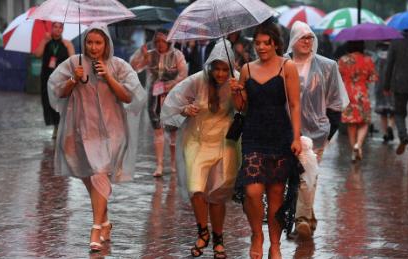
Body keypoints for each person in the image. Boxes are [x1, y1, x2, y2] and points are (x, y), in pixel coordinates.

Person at [47, 23, 146, 252]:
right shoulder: (74, 63)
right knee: (88, 175)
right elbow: (56, 90)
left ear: (106, 44)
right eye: (90, 42)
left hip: (112, 132)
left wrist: (109, 77)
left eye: (98, 43)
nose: (93, 47)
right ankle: (105, 218)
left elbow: (130, 96)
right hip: (82, 130)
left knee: (100, 173)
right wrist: (73, 79)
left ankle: (95, 228)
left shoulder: (119, 65)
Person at [230, 19, 303, 259]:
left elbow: (294, 104)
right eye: (257, 43)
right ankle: (256, 233)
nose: (260, 47)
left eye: (266, 43)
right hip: (253, 135)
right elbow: (240, 107)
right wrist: (236, 92)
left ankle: (274, 243)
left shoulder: (287, 66)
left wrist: (296, 137)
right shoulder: (247, 69)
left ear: (275, 44)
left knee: (275, 194)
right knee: (252, 191)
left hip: (280, 136)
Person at [161, 40, 240, 259]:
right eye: (217, 68)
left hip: (225, 142)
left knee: (218, 193)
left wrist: (239, 93)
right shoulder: (196, 81)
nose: (221, 74)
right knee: (196, 188)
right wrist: (185, 109)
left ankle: (218, 238)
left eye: (225, 69)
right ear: (210, 66)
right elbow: (172, 104)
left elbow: (247, 110)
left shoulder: (238, 80)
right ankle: (202, 231)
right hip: (196, 140)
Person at [285, 21, 349, 239]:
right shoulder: (282, 65)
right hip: (288, 132)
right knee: (297, 177)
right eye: (302, 37)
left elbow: (335, 103)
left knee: (306, 175)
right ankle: (308, 216)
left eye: (310, 37)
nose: (307, 41)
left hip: (317, 134)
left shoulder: (327, 66)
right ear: (293, 40)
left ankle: (301, 220)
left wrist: (328, 132)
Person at [130, 28, 188, 177]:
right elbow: (134, 66)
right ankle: (160, 165)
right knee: (158, 130)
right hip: (154, 98)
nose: (160, 44)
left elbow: (183, 75)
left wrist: (169, 85)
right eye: (157, 41)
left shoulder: (177, 55)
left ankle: (174, 163)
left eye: (163, 41)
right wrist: (141, 55)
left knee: (173, 131)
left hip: (173, 97)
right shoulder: (150, 55)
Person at [383, 29, 408, 159]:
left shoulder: (395, 43)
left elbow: (389, 65)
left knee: (399, 114)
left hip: (399, 84)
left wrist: (386, 85)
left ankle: (403, 136)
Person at [34, 22, 75, 139]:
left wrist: (69, 46)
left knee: (61, 101)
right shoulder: (46, 41)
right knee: (48, 102)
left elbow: (73, 59)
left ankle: (61, 125)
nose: (58, 29)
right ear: (51, 28)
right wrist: (43, 41)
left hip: (62, 78)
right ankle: (56, 126)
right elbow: (37, 54)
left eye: (60, 27)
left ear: (63, 29)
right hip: (46, 77)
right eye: (55, 27)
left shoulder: (67, 43)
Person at [339, 41, 378, 161]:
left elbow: (337, 76)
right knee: (364, 121)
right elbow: (373, 78)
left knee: (351, 124)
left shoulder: (343, 60)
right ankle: (358, 144)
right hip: (361, 93)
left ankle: (353, 151)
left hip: (347, 94)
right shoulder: (367, 60)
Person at [373, 41, 395, 143]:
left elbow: (373, 70)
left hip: (379, 86)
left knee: (383, 112)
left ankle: (385, 133)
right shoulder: (394, 54)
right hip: (392, 85)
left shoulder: (377, 56)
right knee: (392, 110)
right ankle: (390, 126)